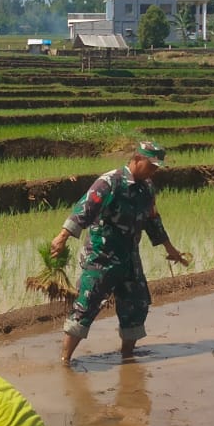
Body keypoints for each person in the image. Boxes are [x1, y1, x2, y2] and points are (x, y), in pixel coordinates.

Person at [50, 141, 189, 367]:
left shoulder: (147, 188)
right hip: (101, 257)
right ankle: (65, 361)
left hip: (130, 258)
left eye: (157, 167)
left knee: (137, 305)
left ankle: (127, 357)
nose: (154, 171)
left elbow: (152, 220)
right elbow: (84, 209)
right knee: (86, 305)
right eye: (151, 166)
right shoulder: (110, 182)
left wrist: (170, 249)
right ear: (137, 159)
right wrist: (62, 236)